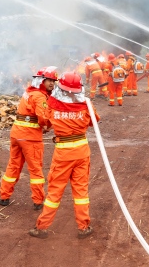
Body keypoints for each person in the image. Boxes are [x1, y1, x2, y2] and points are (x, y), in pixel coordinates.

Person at [29, 72, 99, 239]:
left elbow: (45, 122)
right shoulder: (86, 104)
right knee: (81, 192)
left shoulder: (52, 104)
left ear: (61, 87)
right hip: (82, 152)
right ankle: (84, 227)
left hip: (63, 154)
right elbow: (94, 121)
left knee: (54, 192)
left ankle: (42, 228)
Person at [0, 66, 57, 210]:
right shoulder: (39, 96)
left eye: (53, 81)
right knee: (36, 169)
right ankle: (38, 201)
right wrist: (48, 127)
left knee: (13, 166)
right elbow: (43, 118)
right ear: (42, 80)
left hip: (17, 134)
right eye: (49, 80)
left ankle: (4, 197)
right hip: (30, 137)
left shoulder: (29, 92)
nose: (52, 84)